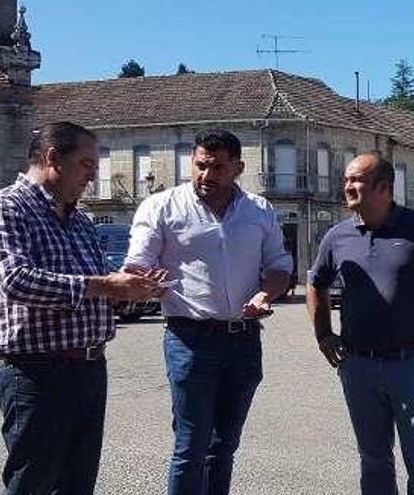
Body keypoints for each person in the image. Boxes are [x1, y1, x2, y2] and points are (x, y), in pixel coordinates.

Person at [0, 121, 164, 495]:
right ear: (52, 159)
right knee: (33, 483)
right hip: (37, 372)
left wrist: (130, 292)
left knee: (78, 484)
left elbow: (93, 287)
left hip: (89, 368)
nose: (93, 177)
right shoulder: (5, 208)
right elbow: (16, 281)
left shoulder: (79, 219)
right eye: (87, 165)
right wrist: (106, 285)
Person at [124, 129, 293, 495]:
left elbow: (280, 264)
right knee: (191, 444)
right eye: (200, 166)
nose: (206, 175)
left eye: (217, 167)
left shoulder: (258, 210)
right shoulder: (162, 207)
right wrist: (144, 281)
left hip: (243, 340)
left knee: (224, 445)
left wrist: (267, 293)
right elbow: (137, 262)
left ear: (238, 168)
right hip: (189, 339)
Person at [306, 152, 414, 495]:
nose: (347, 186)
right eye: (347, 180)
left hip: (409, 363)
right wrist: (323, 333)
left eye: (356, 180)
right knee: (373, 458)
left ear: (384, 188)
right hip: (357, 365)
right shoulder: (337, 236)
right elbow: (315, 282)